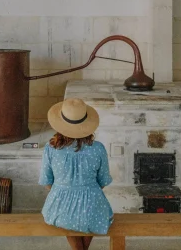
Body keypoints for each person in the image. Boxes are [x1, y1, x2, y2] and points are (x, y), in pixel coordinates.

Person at [39, 98, 113, 250]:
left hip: (59, 205)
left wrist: (63, 191)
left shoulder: (51, 148)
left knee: (67, 218)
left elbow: (46, 181)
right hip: (93, 204)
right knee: (93, 213)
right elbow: (104, 180)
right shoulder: (98, 148)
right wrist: (86, 191)